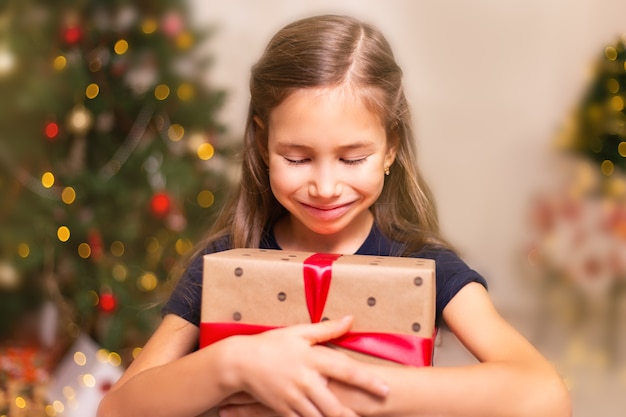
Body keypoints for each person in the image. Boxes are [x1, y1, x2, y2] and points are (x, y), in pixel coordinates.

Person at [98, 14, 571, 417]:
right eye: (298, 158)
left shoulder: (425, 265)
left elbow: (544, 395)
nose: (325, 188)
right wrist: (236, 365)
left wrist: (342, 386)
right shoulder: (225, 261)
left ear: (390, 149)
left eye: (352, 159)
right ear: (263, 144)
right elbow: (116, 409)